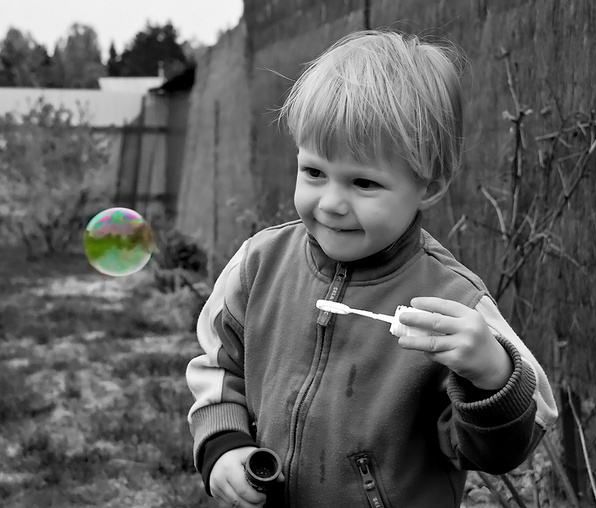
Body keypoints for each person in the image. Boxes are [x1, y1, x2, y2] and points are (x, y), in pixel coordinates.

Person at [185, 30, 558, 508]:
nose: (332, 203)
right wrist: (223, 445)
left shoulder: (454, 307)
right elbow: (218, 367)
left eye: (363, 182)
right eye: (314, 172)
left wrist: (491, 375)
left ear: (429, 184)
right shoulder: (259, 265)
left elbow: (501, 452)